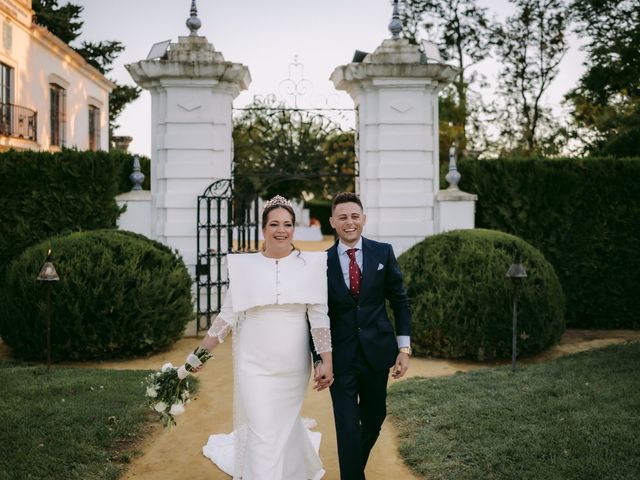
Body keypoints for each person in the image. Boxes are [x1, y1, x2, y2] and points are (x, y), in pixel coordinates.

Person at [183, 195, 334, 480]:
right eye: (274, 224)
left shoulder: (311, 265)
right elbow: (225, 317)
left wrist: (326, 361)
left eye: (288, 224)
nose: (281, 230)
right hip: (253, 364)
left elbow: (319, 317)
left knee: (283, 425)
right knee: (263, 430)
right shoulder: (244, 267)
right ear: (263, 229)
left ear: (294, 228)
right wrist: (198, 355)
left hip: (293, 366)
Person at [313, 192, 412, 480]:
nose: (349, 222)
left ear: (364, 219)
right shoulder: (321, 262)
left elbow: (400, 300)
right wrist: (319, 358)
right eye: (342, 217)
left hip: (376, 353)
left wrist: (403, 349)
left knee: (373, 419)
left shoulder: (383, 252)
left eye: (354, 216)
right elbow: (314, 315)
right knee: (346, 428)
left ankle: (353, 466)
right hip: (339, 357)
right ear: (332, 221)